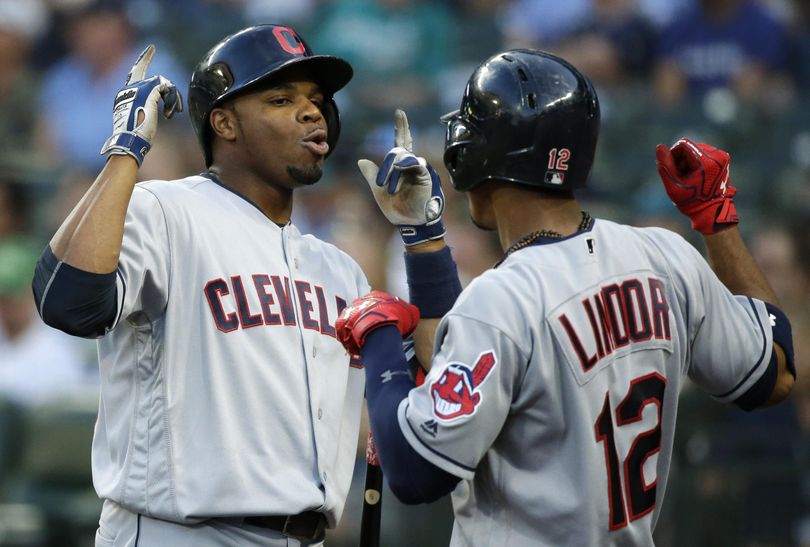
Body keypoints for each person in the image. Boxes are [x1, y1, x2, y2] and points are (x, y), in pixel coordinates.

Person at [336, 49, 796, 545]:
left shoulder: (503, 298)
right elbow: (772, 374)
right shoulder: (664, 255)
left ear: (476, 155)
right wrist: (716, 219)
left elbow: (414, 470)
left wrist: (380, 341)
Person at [32, 24, 372, 547]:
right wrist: (127, 149)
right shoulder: (168, 210)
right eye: (282, 99)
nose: (311, 113)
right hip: (178, 531)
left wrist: (425, 244)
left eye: (318, 101)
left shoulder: (339, 270)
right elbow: (69, 302)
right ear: (224, 123)